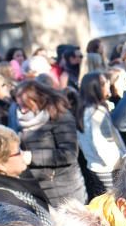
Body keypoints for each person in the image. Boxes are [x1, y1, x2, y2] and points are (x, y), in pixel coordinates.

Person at [14, 79, 86, 207]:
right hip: (41, 188)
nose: (22, 110)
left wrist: (31, 157)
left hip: (65, 188)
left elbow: (69, 154)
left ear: (38, 100)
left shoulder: (60, 116)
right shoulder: (23, 120)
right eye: (19, 105)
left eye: (26, 105)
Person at [74, 72, 126, 194]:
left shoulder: (82, 110)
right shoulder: (97, 113)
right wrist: (120, 162)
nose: (108, 85)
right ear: (94, 88)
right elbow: (103, 144)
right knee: (112, 202)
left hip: (94, 165)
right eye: (103, 83)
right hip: (109, 168)